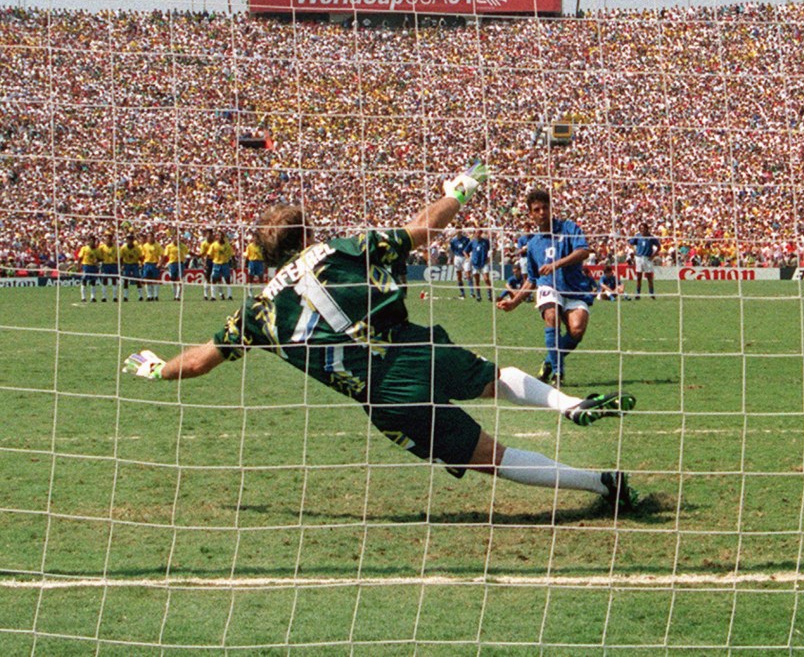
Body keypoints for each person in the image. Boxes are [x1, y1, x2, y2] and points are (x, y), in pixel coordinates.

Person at [123, 163, 647, 514]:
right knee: (496, 379)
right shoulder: (340, 249)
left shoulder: (258, 312)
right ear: (307, 235)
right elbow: (420, 229)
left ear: (268, 255)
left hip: (381, 396)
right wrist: (458, 192)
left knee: (489, 454)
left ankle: (600, 482)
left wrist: (157, 368)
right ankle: (567, 403)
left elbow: (198, 363)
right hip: (408, 345)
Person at [497, 189, 596, 387]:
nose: (542, 212)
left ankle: (550, 362)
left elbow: (584, 251)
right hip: (548, 288)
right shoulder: (533, 244)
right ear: (531, 214)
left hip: (574, 289)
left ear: (551, 208)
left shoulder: (569, 228)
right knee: (551, 315)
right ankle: (559, 374)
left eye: (545, 207)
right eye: (537, 209)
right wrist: (514, 302)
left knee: (576, 330)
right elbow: (532, 279)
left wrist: (556, 264)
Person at [628, 224, 661, 299]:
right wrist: (634, 250)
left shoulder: (651, 237)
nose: (642, 230)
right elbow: (630, 243)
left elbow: (659, 247)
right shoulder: (638, 236)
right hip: (639, 258)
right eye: (641, 228)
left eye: (643, 228)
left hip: (647, 258)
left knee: (649, 277)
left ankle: (651, 294)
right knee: (639, 277)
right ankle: (638, 294)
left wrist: (653, 255)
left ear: (647, 229)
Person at [468, 228, 493, 302]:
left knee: (486, 279)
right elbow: (465, 251)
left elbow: (492, 250)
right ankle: (478, 296)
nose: (477, 234)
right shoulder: (472, 242)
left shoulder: (485, 241)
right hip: (475, 263)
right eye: (476, 233)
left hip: (484, 263)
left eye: (479, 233)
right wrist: (469, 259)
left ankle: (489, 295)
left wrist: (489, 257)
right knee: (477, 280)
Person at [208, 230, 234, 300]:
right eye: (218, 235)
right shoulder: (214, 245)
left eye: (220, 235)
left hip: (225, 263)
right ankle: (213, 296)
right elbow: (209, 254)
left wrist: (234, 263)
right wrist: (207, 263)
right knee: (214, 279)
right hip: (216, 264)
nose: (219, 237)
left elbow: (232, 254)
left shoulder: (227, 245)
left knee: (227, 279)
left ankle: (229, 295)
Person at [164, 231, 190, 301]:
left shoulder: (183, 246)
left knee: (181, 279)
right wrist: (165, 263)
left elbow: (188, 252)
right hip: (172, 264)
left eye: (178, 237)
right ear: (173, 238)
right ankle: (175, 294)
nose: (177, 239)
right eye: (175, 237)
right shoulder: (169, 246)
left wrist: (196, 255)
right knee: (173, 279)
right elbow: (166, 255)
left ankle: (178, 295)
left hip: (180, 263)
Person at [449, 229, 473, 299]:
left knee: (468, 275)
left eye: (459, 228)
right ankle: (462, 293)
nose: (458, 230)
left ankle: (472, 292)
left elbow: (469, 248)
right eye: (457, 228)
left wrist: (469, 256)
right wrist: (450, 258)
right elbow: (452, 250)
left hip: (465, 258)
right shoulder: (453, 241)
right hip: (457, 258)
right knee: (459, 276)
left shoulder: (466, 239)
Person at [119, 233, 144, 301]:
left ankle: (140, 296)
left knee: (137, 279)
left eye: (131, 239)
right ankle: (125, 296)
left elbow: (140, 257)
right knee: (126, 280)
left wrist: (142, 263)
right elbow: (121, 258)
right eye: (128, 239)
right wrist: (121, 266)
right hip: (127, 264)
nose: (130, 241)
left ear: (133, 240)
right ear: (126, 240)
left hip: (134, 264)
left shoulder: (137, 248)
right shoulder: (123, 248)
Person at [140, 231, 164, 301]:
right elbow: (142, 256)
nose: (149, 238)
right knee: (147, 280)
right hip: (147, 264)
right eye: (148, 237)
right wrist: (142, 263)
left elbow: (162, 256)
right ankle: (149, 296)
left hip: (154, 264)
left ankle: (156, 295)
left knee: (155, 280)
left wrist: (160, 263)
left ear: (153, 237)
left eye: (151, 236)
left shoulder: (158, 245)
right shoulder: (145, 246)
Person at [77, 234, 100, 303]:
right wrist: (79, 266)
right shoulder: (84, 248)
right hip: (86, 266)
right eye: (90, 240)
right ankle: (83, 297)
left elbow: (99, 258)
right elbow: (80, 258)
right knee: (84, 281)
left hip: (93, 266)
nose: (92, 242)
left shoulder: (96, 250)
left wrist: (97, 261)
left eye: (93, 240)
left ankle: (93, 297)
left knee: (93, 281)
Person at [98, 232, 119, 302]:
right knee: (104, 280)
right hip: (105, 265)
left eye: (110, 238)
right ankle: (104, 296)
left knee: (114, 280)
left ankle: (114, 296)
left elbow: (118, 257)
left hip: (113, 264)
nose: (108, 240)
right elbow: (98, 256)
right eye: (107, 238)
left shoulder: (115, 247)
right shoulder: (102, 247)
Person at [198, 228, 215, 300]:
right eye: (207, 234)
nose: (208, 236)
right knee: (207, 278)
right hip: (207, 261)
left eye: (210, 234)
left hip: (215, 261)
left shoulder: (215, 243)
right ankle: (205, 294)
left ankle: (215, 295)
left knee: (215, 278)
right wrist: (203, 262)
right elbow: (202, 254)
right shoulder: (204, 243)